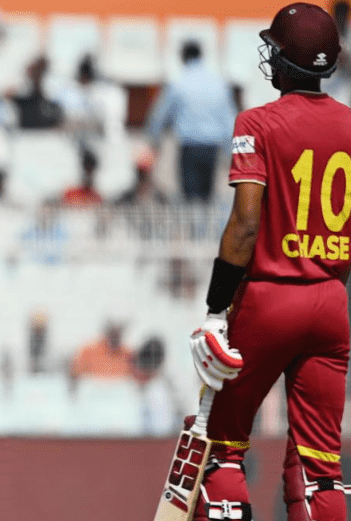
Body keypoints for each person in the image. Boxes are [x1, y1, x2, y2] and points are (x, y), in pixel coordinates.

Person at [185, 5, 351, 520]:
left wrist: (216, 309)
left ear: (283, 61)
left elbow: (244, 223)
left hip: (268, 298)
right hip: (331, 302)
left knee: (223, 451)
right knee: (320, 468)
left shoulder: (256, 122)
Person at [146, 40, 237, 202]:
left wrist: (154, 138)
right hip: (212, 147)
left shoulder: (178, 81)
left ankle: (195, 218)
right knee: (207, 196)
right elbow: (228, 118)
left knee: (190, 198)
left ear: (183, 56)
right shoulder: (218, 82)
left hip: (189, 146)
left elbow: (161, 114)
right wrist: (230, 149)